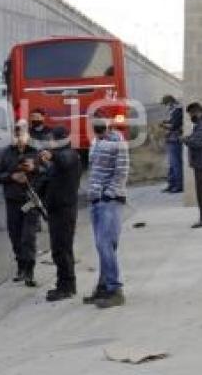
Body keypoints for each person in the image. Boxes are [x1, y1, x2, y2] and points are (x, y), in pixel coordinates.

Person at [84, 117, 129, 309]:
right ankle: (103, 287)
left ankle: (115, 289)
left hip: (109, 201)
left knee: (105, 244)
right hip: (96, 200)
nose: (98, 131)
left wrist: (108, 194)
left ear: (109, 126)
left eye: (101, 128)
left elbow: (121, 172)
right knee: (102, 245)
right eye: (95, 128)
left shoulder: (118, 143)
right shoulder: (96, 142)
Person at [0, 120, 43, 287]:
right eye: (16, 133)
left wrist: (34, 168)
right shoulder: (7, 153)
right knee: (15, 236)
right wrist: (11, 176)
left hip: (30, 201)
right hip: (13, 200)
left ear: (27, 134)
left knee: (28, 237)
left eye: (21, 133)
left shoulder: (36, 152)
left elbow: (47, 172)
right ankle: (21, 267)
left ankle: (30, 271)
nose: (18, 136)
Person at [39, 126, 82, 301]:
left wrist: (52, 156)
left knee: (62, 249)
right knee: (59, 249)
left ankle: (66, 286)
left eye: (53, 140)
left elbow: (64, 160)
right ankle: (64, 284)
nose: (50, 143)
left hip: (64, 210)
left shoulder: (69, 154)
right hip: (56, 209)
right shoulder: (58, 159)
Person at [159, 95, 184, 193]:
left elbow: (174, 126)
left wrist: (164, 125)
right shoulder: (174, 110)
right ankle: (171, 184)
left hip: (175, 140)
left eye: (166, 104)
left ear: (170, 102)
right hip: (171, 139)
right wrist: (166, 122)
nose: (165, 106)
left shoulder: (177, 110)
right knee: (171, 164)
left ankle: (179, 185)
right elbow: (172, 122)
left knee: (176, 164)